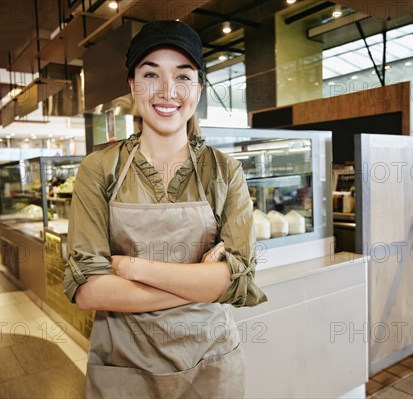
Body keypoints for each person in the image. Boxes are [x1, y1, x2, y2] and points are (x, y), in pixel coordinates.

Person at [63, 20, 267, 398]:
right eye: (150, 74)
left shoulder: (224, 172)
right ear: (131, 84)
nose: (167, 91)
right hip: (124, 368)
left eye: (183, 76)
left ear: (199, 88)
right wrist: (200, 284)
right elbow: (88, 290)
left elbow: (237, 280)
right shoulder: (99, 169)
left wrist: (131, 267)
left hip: (211, 363)